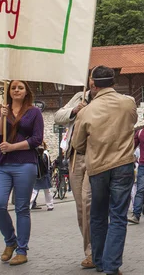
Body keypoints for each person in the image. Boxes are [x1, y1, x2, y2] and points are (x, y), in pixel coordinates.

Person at [72, 65, 138, 275]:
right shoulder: (128, 103)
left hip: (98, 167)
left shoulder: (86, 111)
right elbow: (133, 121)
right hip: (123, 164)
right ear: (113, 81)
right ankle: (112, 266)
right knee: (118, 216)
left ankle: (99, 261)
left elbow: (77, 144)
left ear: (93, 83)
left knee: (98, 215)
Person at [0, 80, 43, 266]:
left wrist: (13, 147)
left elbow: (37, 139)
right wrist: (0, 118)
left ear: (26, 91)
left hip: (25, 163)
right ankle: (10, 240)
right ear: (8, 91)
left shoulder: (34, 112)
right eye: (13, 87)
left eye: (20, 87)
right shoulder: (2, 112)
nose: (16, 90)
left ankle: (22, 249)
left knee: (22, 208)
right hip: (2, 164)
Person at [54, 85, 93, 268]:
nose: (94, 84)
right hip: (76, 155)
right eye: (92, 80)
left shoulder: (109, 99)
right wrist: (75, 110)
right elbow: (58, 116)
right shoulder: (80, 96)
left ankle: (97, 249)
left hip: (98, 155)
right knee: (81, 207)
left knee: (89, 203)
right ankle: (90, 250)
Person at [30, 142, 54, 211]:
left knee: (35, 190)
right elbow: (48, 165)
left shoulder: (38, 153)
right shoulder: (45, 153)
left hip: (39, 174)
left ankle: (29, 205)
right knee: (46, 191)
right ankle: (50, 205)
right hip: (43, 174)